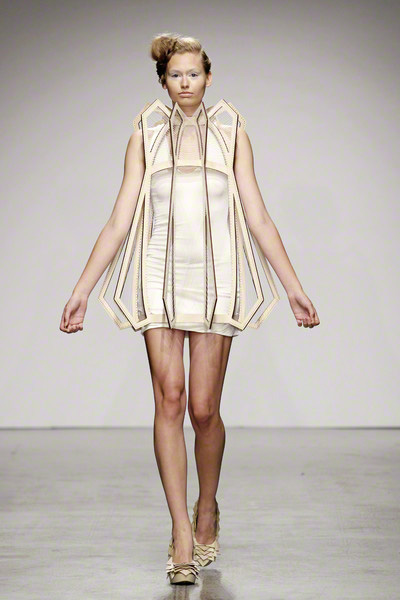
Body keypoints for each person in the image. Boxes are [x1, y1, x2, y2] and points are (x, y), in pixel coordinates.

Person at [60, 32, 320, 585]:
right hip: (158, 274)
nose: (185, 83)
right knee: (170, 399)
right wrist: (82, 289)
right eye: (175, 75)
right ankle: (181, 530)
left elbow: (257, 214)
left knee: (203, 409)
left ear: (208, 77)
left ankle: (207, 507)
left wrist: (293, 286)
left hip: (217, 276)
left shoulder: (231, 128)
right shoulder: (145, 131)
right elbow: (120, 218)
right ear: (163, 80)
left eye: (194, 74)